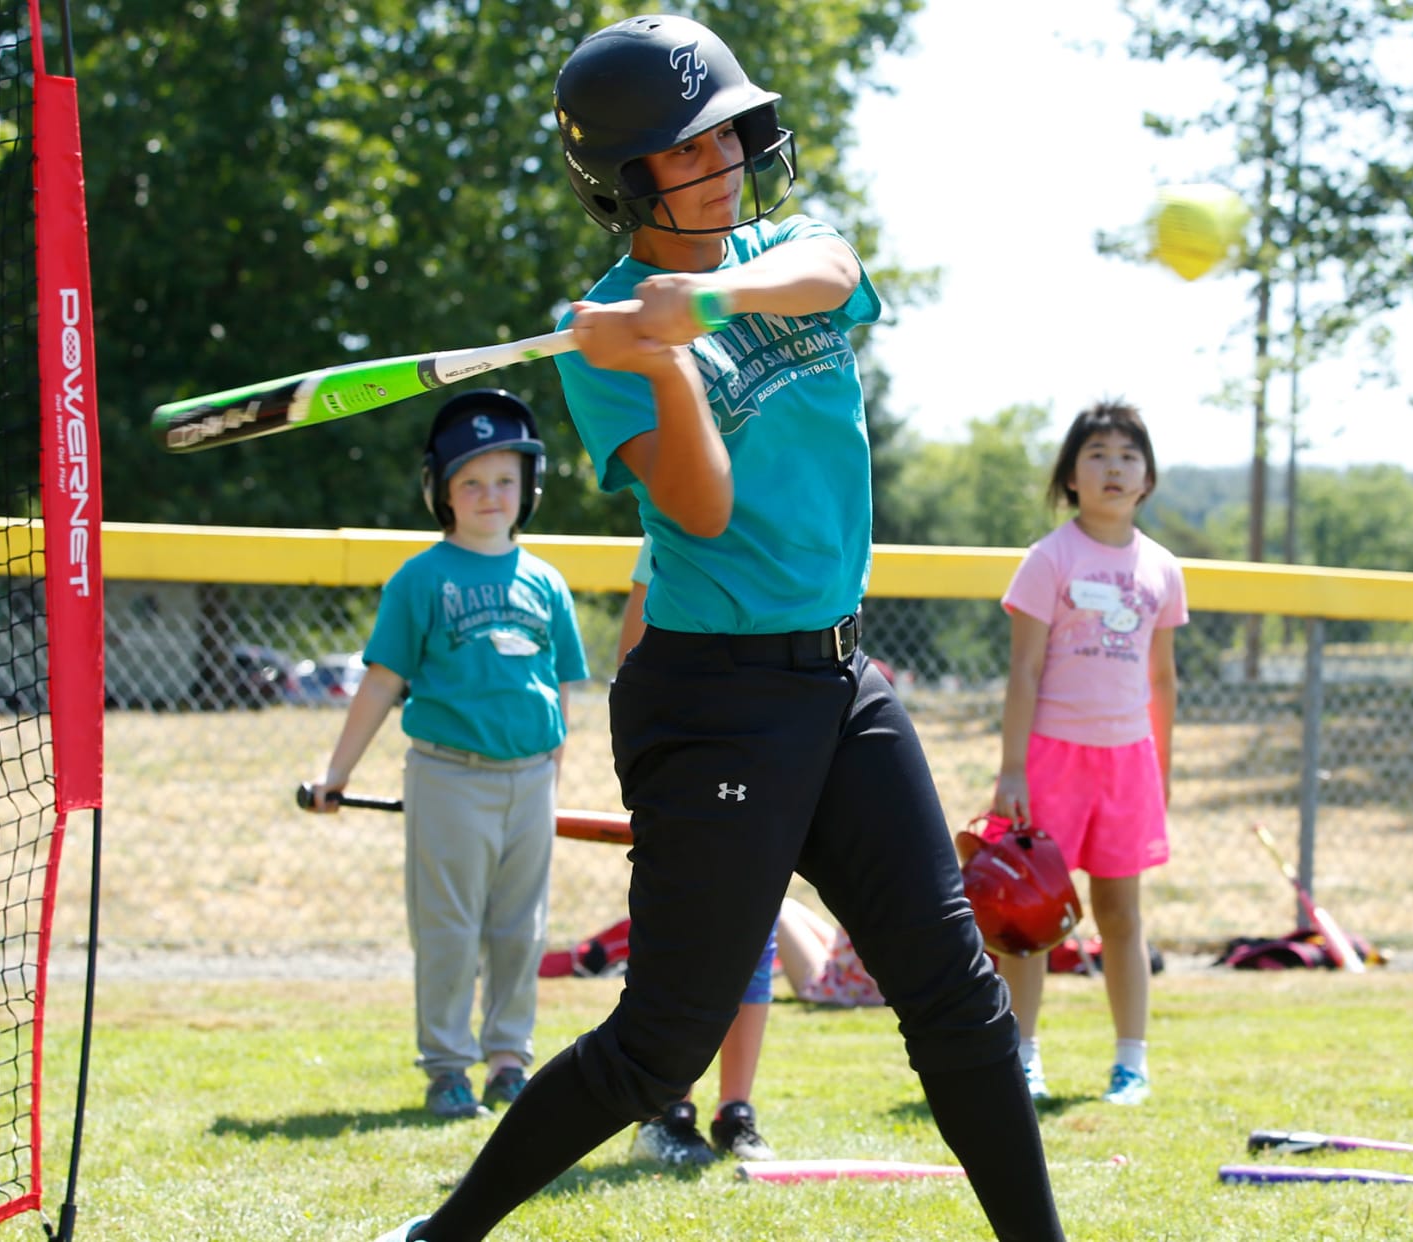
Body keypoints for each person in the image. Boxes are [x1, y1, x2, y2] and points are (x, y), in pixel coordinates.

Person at [371, 16, 1062, 1241]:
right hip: (716, 700)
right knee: (662, 1044)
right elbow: (701, 504)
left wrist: (700, 302)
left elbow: (834, 277)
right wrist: (665, 360)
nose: (730, 157)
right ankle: (443, 1231)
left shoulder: (777, 245)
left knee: (955, 996)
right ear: (628, 179)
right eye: (692, 149)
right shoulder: (604, 344)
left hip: (843, 683)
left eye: (732, 130)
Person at [307, 390, 589, 1119]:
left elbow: (559, 691)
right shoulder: (420, 579)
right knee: (450, 928)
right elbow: (380, 685)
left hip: (530, 779)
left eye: (505, 480)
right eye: (471, 482)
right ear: (441, 493)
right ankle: (446, 1066)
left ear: (530, 487)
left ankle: (507, 1060)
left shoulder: (547, 581)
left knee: (520, 930)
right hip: (448, 776)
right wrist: (336, 776)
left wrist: (553, 777)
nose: (491, 496)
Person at [988, 400, 1185, 1107]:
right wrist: (1012, 769)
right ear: (1071, 476)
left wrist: (1159, 770)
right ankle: (1023, 1056)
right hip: (1049, 761)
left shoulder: (1163, 568)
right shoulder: (1050, 560)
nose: (1114, 467)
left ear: (1147, 479)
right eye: (1097, 454)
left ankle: (1131, 1063)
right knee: (1031, 918)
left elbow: (1162, 679)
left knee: (1122, 916)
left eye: (1128, 455)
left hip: (1126, 764)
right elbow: (1025, 673)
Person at [617, 534, 777, 1165]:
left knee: (753, 937)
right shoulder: (665, 533)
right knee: (681, 937)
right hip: (686, 760)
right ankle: (666, 1111)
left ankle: (736, 1112)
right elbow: (634, 656)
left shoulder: (786, 531)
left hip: (767, 759)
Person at [774, 894, 886, 1008]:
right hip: (844, 957)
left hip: (843, 986)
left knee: (776, 910)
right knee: (787, 904)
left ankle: (759, 974)